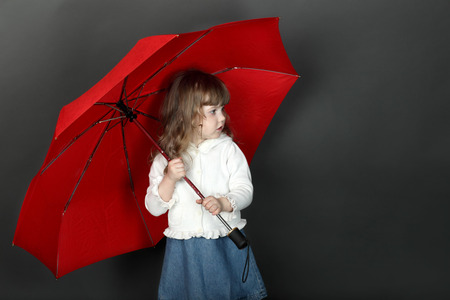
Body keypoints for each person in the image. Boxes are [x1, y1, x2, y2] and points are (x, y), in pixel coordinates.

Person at [145, 70, 267, 299]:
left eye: (222, 109)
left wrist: (223, 202)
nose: (222, 118)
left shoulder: (228, 150)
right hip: (185, 250)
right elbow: (154, 207)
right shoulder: (166, 159)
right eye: (213, 111)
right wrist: (169, 179)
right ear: (188, 115)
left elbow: (245, 190)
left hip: (222, 240)